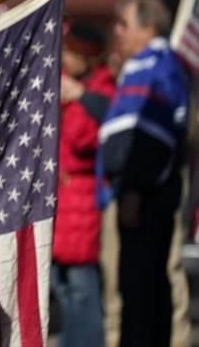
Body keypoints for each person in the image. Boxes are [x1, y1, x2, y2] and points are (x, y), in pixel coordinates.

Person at [98, 0, 189, 347]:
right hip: (134, 192)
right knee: (135, 289)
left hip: (146, 198)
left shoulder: (158, 67)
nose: (117, 32)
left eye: (125, 24)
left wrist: (134, 188)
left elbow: (151, 136)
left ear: (149, 27)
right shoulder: (142, 67)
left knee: (143, 289)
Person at [51, 20, 115, 347]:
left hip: (82, 200)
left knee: (81, 289)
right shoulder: (68, 88)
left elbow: (83, 137)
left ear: (87, 58)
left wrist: (78, 99)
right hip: (65, 200)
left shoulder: (100, 90)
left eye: (72, 52)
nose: (64, 57)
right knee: (63, 288)